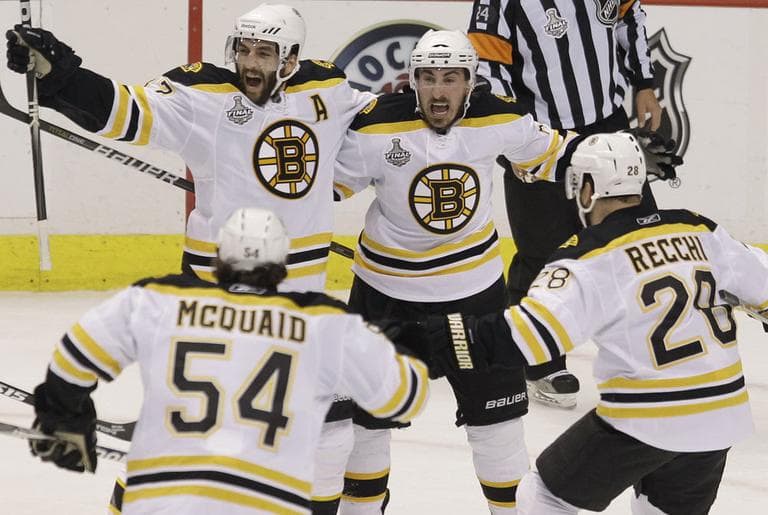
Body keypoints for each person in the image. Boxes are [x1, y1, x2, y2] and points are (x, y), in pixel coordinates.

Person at [5, 4, 375, 512]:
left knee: (332, 432)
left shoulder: (329, 89)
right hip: (212, 292)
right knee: (179, 426)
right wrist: (62, 78)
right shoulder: (202, 96)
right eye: (243, 49)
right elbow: (127, 111)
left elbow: (387, 120)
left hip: (300, 300)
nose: (249, 61)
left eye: (264, 52)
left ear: (289, 60)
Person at [331, 28, 615, 515]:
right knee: (362, 428)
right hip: (384, 296)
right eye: (427, 78)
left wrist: (620, 172)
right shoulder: (374, 128)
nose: (438, 90)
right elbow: (318, 189)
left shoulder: (500, 118)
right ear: (412, 81)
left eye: (451, 78)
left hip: (475, 300)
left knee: (499, 433)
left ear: (470, 80)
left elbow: (562, 157)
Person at [426, 132, 768, 514]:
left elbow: (526, 338)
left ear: (587, 189)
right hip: (721, 412)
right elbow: (762, 282)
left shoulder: (588, 256)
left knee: (541, 495)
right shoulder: (699, 230)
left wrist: (445, 337)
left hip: (648, 416)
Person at [27, 207, 430, 515]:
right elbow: (403, 398)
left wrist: (64, 415)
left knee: (131, 487)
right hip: (263, 501)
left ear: (218, 257)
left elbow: (75, 355)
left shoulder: (160, 300)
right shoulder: (322, 323)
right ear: (281, 265)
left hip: (163, 500)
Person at [467, 0, 664, 408]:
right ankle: (540, 362)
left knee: (638, 237)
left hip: (608, 127)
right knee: (540, 251)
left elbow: (631, 18)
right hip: (539, 136)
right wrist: (516, 142)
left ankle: (650, 349)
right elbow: (488, 68)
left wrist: (645, 82)